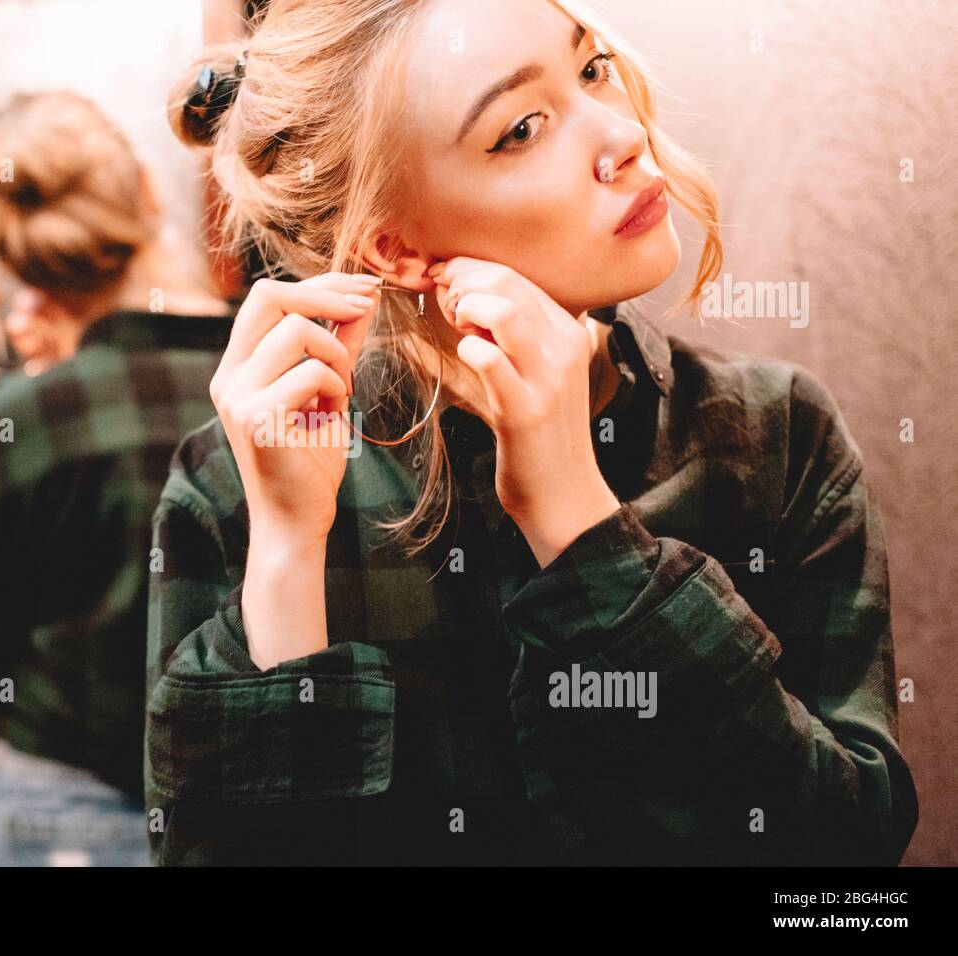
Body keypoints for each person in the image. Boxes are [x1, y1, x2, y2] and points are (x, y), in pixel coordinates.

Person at [144, 0, 918, 865]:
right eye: (521, 127)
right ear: (395, 249)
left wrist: (581, 525)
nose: (621, 134)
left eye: (591, 70)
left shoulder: (776, 437)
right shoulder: (235, 485)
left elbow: (848, 862)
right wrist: (288, 551)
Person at [0, 90, 232, 866]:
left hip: (62, 819)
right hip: (261, 809)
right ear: (146, 188)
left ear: (9, 263)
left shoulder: (22, 426)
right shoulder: (283, 373)